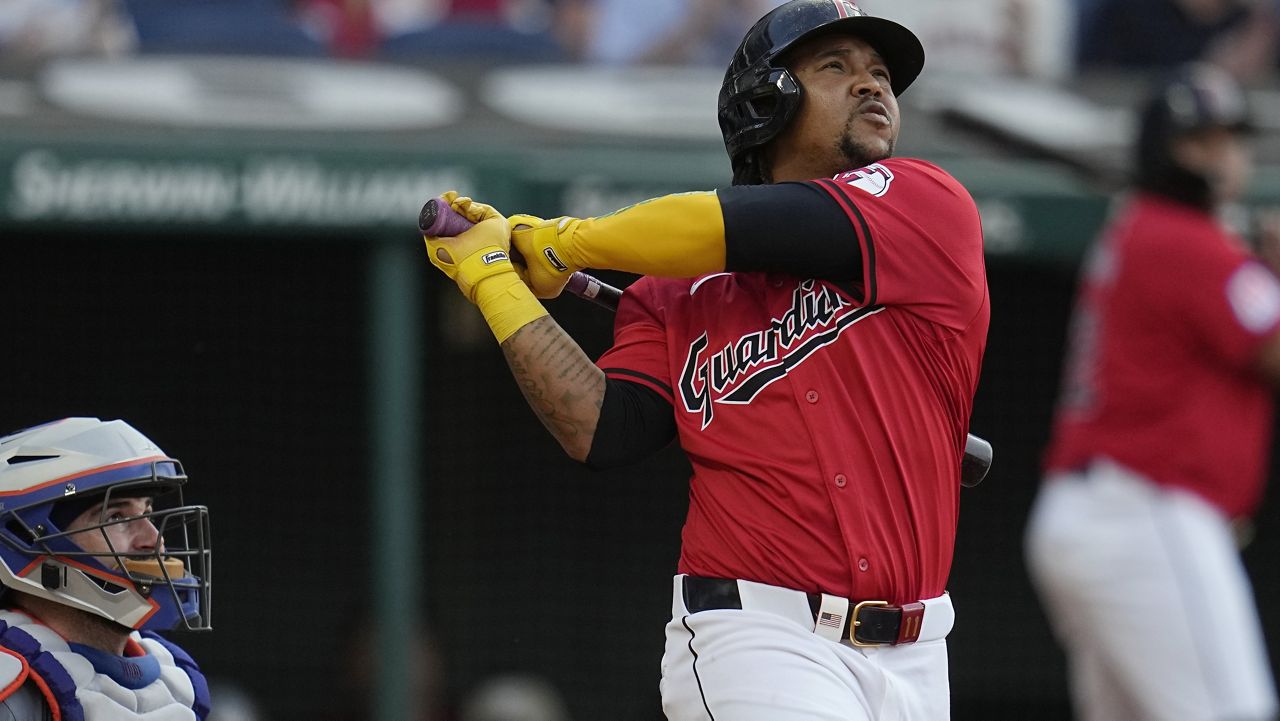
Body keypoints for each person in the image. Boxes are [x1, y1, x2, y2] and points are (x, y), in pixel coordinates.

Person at [421, 1, 988, 718]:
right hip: (759, 634)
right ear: (766, 100)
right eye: (836, 68)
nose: (872, 86)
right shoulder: (675, 292)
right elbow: (601, 426)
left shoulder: (926, 203)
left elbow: (739, 224)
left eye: (880, 74)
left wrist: (563, 242)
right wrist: (496, 282)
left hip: (918, 647)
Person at [1025, 63, 1280, 721]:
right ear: (1163, 149)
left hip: (1101, 513)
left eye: (1229, 139)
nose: (1222, 155)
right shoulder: (1185, 243)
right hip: (1145, 510)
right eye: (1202, 140)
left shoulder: (1150, 231)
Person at [0, 417, 212, 719]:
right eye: (115, 517)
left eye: (147, 512)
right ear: (25, 538)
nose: (155, 540)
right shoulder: (9, 684)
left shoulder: (175, 681)